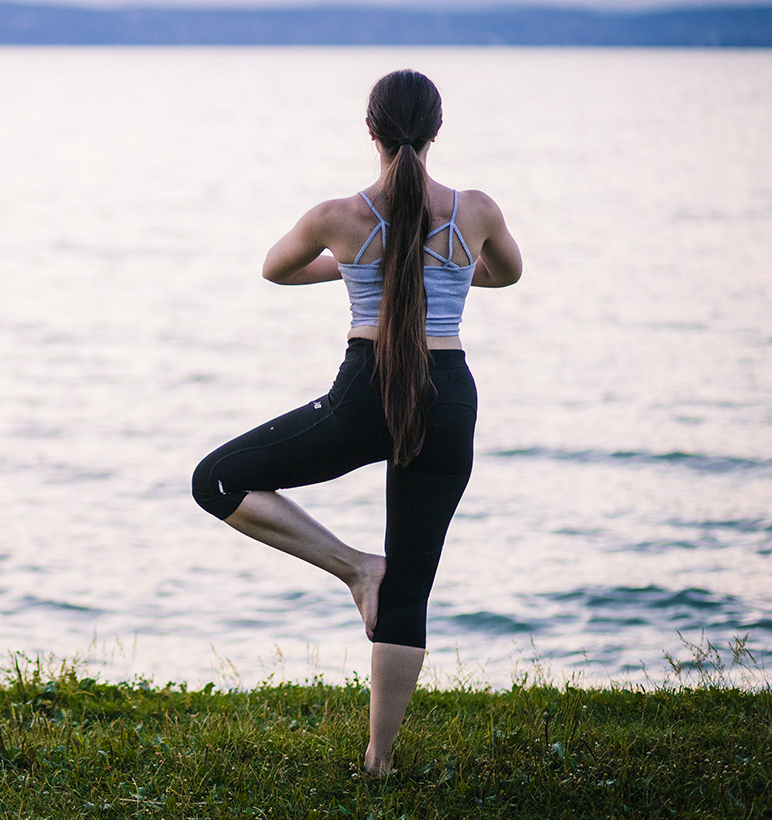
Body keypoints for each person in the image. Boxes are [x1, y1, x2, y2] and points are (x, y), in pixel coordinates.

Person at [190, 69, 522, 776]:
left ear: (369, 130)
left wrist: (351, 268)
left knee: (217, 481)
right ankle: (380, 762)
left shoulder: (337, 217)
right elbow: (507, 274)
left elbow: (276, 270)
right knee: (411, 588)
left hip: (365, 392)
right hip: (450, 395)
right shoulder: (478, 210)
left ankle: (353, 568)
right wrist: (451, 276)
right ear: (437, 132)